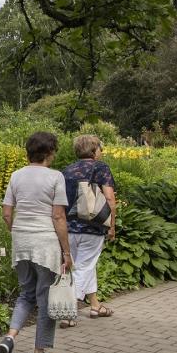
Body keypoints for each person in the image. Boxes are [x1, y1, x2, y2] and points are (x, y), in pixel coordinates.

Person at [0, 131, 71, 353]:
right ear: (49, 152)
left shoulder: (16, 176)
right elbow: (58, 216)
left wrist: (16, 231)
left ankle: (10, 338)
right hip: (45, 243)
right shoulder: (55, 177)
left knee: (26, 294)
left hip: (21, 241)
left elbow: (7, 213)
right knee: (45, 298)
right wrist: (66, 252)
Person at [60, 133, 117, 323]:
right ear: (94, 150)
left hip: (68, 228)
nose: (101, 151)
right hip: (93, 228)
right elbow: (109, 198)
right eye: (100, 147)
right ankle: (69, 312)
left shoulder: (67, 170)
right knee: (84, 267)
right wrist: (112, 225)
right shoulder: (101, 168)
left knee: (82, 265)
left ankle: (95, 306)